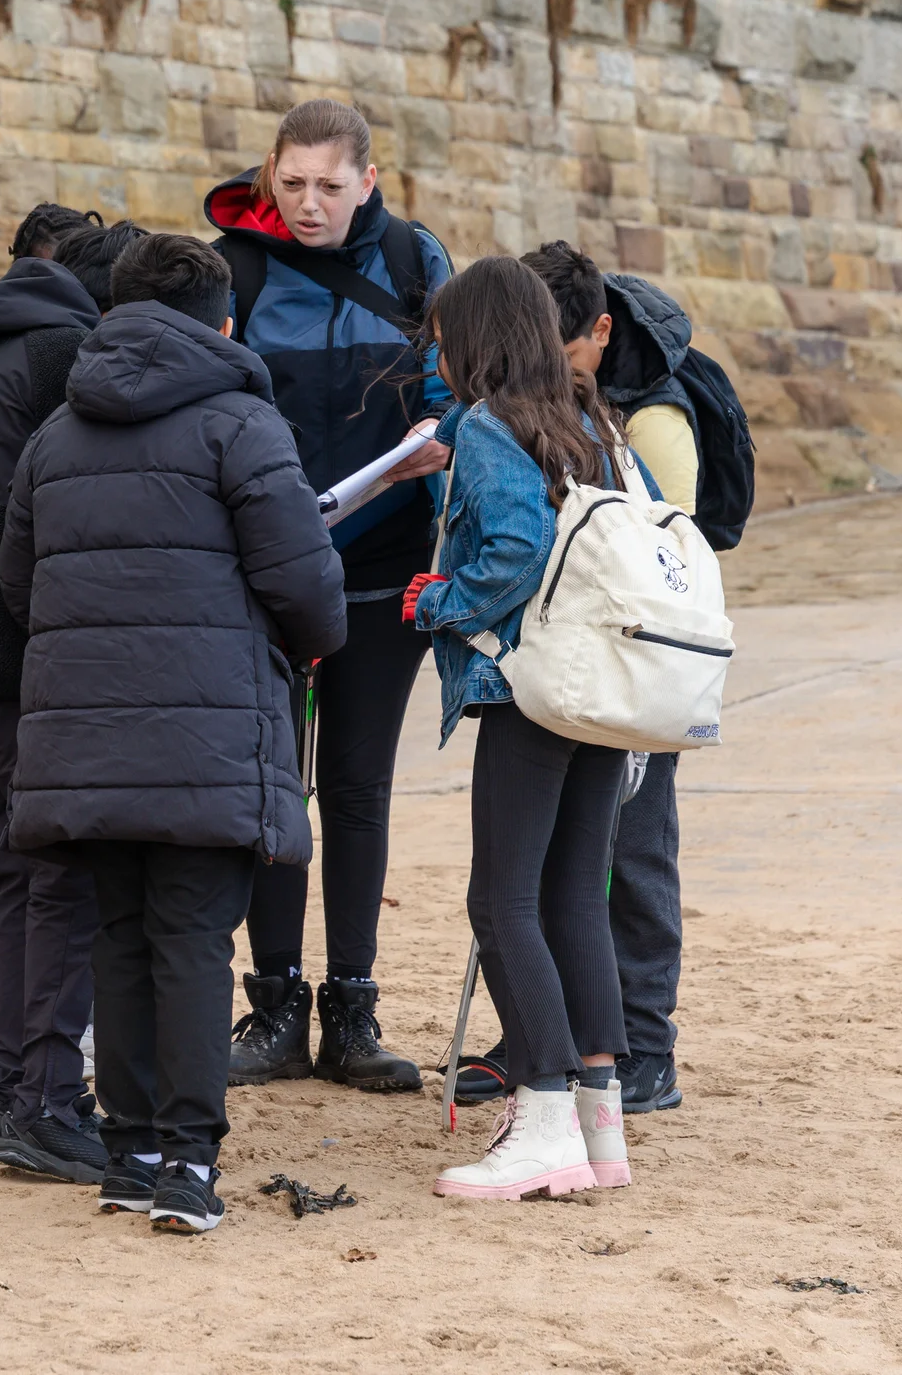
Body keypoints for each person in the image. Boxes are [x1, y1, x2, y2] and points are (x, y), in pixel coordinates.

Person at [0, 233, 347, 1233]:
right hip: (208, 733)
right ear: (223, 320)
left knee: (118, 935)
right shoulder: (243, 422)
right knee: (193, 939)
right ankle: (189, 1162)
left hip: (84, 734)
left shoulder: (55, 434)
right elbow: (304, 584)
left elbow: (18, 586)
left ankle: (130, 1148)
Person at [205, 99, 453, 1092]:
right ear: (269, 172)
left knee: (356, 788)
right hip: (262, 570)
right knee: (273, 787)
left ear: (370, 178)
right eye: (292, 183)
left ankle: (352, 1008)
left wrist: (438, 437)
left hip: (384, 560)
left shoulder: (414, 261)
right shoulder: (232, 265)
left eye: (329, 186)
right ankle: (273, 1005)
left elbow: (453, 382)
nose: (308, 205)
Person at [406, 256, 652, 1201]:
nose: (437, 355)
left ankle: (544, 1112)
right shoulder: (590, 419)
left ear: (475, 339)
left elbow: (514, 547)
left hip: (530, 688)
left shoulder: (487, 423)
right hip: (601, 688)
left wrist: (440, 601)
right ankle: (600, 1121)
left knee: (501, 899)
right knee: (573, 897)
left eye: (443, 339)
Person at [0, 219, 143, 1184]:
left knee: (21, 867)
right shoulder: (65, 354)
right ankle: (42, 1096)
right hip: (24, 650)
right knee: (57, 873)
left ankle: (23, 1086)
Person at [519, 239, 695, 1115]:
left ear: (598, 332)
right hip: (573, 675)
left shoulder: (647, 425)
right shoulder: (537, 416)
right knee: (559, 863)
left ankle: (647, 1047)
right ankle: (563, 1032)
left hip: (636, 674)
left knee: (634, 857)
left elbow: (669, 559)